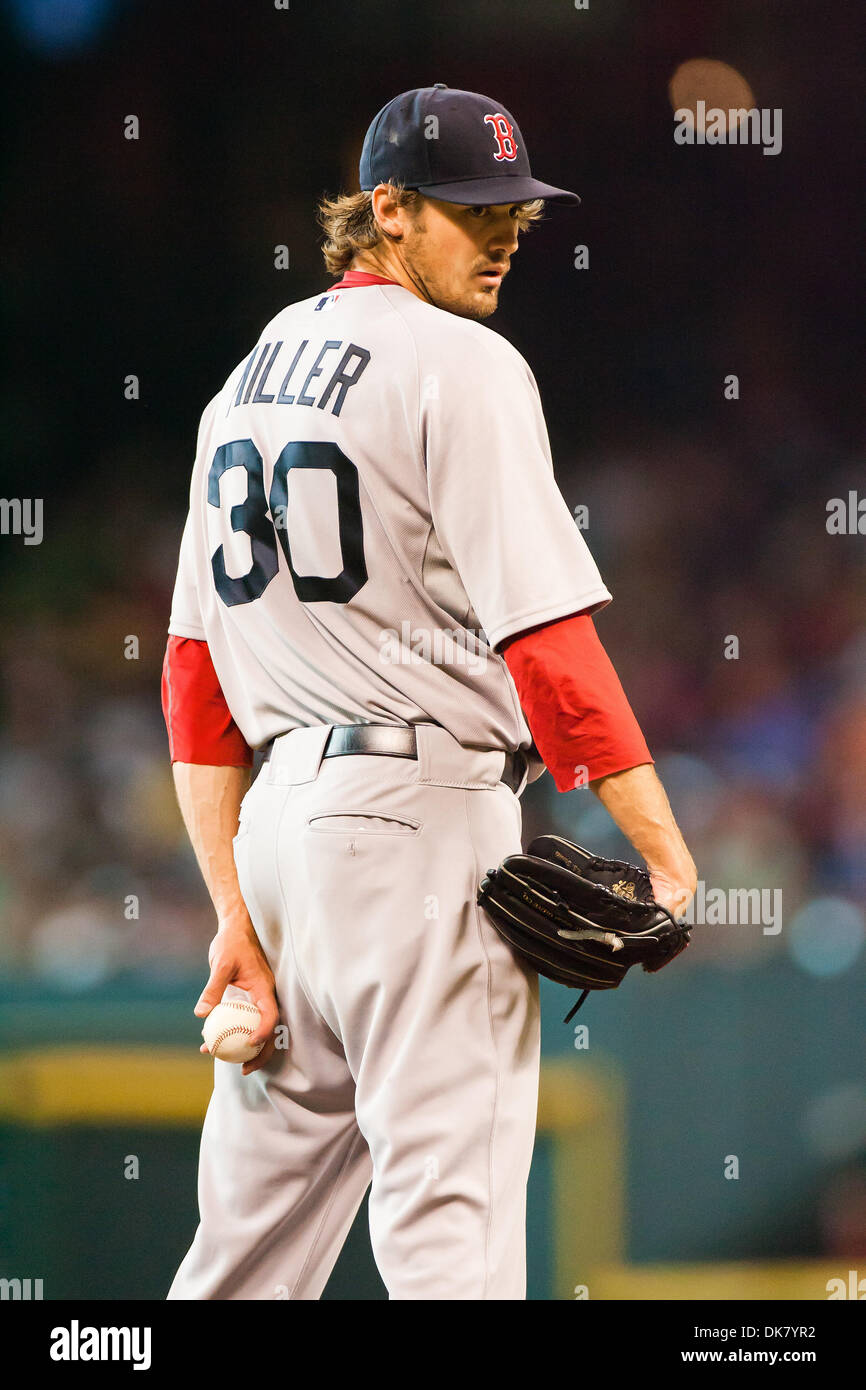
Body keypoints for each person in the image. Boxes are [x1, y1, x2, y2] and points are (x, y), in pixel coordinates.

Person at [162, 84, 696, 1301]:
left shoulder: (238, 384)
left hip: (282, 842)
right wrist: (664, 856)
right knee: (451, 1254)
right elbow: (547, 645)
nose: (506, 230)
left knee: (239, 1265)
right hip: (417, 821)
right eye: (473, 209)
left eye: (515, 206)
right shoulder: (462, 361)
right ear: (388, 211)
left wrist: (235, 913)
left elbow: (196, 689)